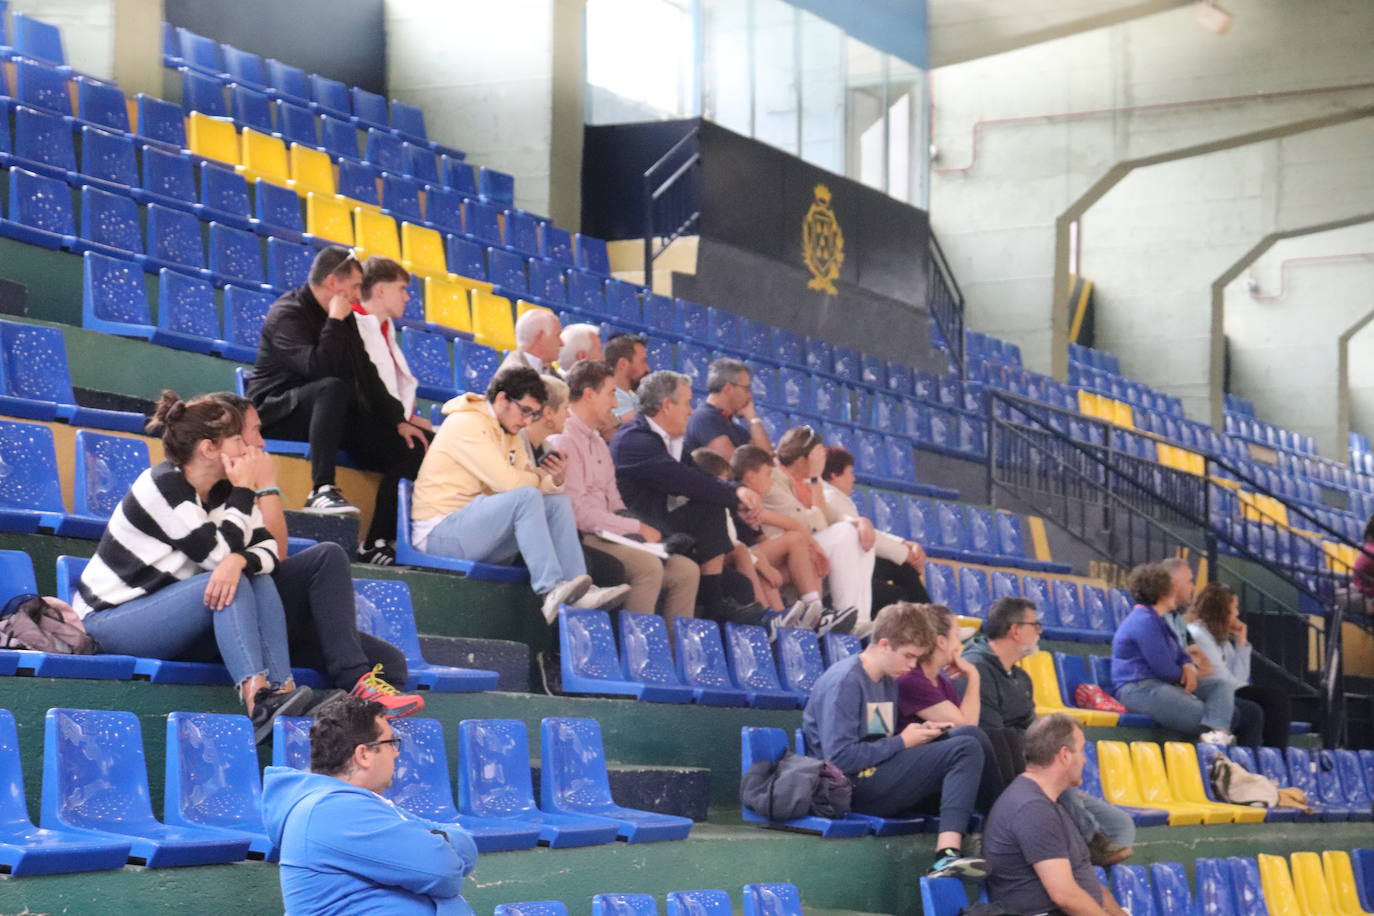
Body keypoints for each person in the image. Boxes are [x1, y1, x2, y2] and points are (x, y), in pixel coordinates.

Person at [73, 393, 358, 743]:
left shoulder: (224, 493)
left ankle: (282, 691)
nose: (250, 449)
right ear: (209, 449)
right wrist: (243, 496)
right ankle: (257, 701)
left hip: (171, 614)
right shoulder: (162, 484)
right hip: (110, 623)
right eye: (239, 440)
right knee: (233, 577)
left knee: (254, 575)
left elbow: (267, 548)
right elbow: (215, 555)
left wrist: (241, 558)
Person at [211, 393, 423, 719]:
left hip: (274, 618)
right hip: (234, 617)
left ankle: (340, 720)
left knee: (391, 664)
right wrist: (264, 487)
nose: (262, 442)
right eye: (254, 432)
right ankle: (355, 680)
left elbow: (273, 553)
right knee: (327, 556)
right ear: (233, 440)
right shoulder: (216, 488)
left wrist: (263, 486)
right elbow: (276, 558)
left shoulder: (242, 484)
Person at [411, 366, 630, 623]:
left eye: (534, 414)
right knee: (526, 496)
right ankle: (550, 588)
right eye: (525, 410)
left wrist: (551, 481)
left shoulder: (509, 430)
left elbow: (527, 482)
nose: (527, 421)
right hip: (440, 533)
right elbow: (510, 483)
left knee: (557, 502)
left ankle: (579, 588)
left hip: (475, 528)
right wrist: (538, 478)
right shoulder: (466, 423)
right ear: (503, 398)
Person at [248, 247, 430, 544]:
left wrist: (397, 420)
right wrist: (333, 321)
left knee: (416, 446)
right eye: (356, 286)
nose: (359, 294)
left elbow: (366, 372)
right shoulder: (287, 313)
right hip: (278, 413)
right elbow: (318, 369)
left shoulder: (344, 318)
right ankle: (321, 489)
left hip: (327, 414)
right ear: (333, 283)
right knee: (332, 387)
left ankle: (379, 542)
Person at [802, 601, 995, 879]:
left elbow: (878, 739)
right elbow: (840, 760)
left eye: (916, 658)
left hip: (877, 773)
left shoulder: (887, 680)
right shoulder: (845, 682)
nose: (912, 665)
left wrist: (922, 736)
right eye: (908, 656)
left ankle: (1003, 825)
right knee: (963, 748)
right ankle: (947, 855)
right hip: (850, 788)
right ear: (883, 644)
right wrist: (904, 741)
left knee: (967, 734)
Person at [611, 370, 818, 628]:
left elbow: (700, 477)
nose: (690, 411)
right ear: (666, 406)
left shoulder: (668, 441)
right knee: (710, 507)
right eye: (686, 403)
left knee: (741, 586)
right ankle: (713, 602)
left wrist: (737, 499)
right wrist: (736, 495)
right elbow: (686, 481)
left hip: (662, 527)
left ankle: (760, 637)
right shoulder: (634, 440)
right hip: (639, 530)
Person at [262, 696, 478, 916]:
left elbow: (466, 844)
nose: (396, 752)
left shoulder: (362, 804)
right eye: (391, 743)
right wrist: (435, 841)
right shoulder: (330, 810)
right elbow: (444, 871)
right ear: (363, 754)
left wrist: (440, 839)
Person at [963, 597, 1136, 867]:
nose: (1040, 631)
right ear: (1015, 630)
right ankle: (1084, 856)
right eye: (1036, 624)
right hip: (1000, 775)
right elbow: (994, 739)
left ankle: (1090, 889)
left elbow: (1034, 736)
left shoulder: (1022, 679)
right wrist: (1051, 779)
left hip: (1035, 773)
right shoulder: (977, 667)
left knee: (1119, 824)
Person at [547, 360, 699, 626]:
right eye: (611, 394)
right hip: (583, 536)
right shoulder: (564, 438)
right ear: (589, 394)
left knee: (686, 570)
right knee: (648, 567)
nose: (616, 404)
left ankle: (675, 658)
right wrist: (634, 527)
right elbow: (578, 514)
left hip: (609, 532)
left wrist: (647, 532)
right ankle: (637, 655)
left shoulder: (599, 443)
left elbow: (615, 502)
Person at [982, 714, 1131, 916]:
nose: (1085, 759)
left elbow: (1085, 882)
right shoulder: (1032, 808)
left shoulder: (1048, 802)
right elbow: (1065, 896)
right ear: (1065, 755)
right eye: (1081, 751)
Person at [1110, 563, 1251, 745]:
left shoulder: (1159, 620)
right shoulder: (1144, 621)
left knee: (1220, 686)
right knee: (1207, 714)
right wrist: (1188, 670)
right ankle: (1218, 740)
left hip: (1165, 685)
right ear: (1163, 591)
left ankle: (1217, 737)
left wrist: (1187, 665)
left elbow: (1181, 654)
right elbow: (1165, 670)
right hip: (1140, 689)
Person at [763, 427, 877, 630]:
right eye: (816, 459)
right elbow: (814, 524)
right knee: (844, 533)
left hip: (805, 549)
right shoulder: (773, 479)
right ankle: (848, 616)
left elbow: (833, 515)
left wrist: (859, 521)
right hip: (784, 555)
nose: (820, 464)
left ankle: (860, 620)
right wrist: (816, 479)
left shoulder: (801, 482)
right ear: (801, 460)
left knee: (861, 535)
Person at [730, 444, 846, 628]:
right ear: (751, 476)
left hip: (753, 557)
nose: (771, 481)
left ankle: (795, 622)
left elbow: (762, 540)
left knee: (802, 560)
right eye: (768, 474)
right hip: (739, 560)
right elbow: (792, 525)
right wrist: (817, 547)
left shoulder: (750, 497)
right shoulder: (744, 496)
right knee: (796, 539)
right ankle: (813, 606)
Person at [821, 446, 930, 608]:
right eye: (850, 472)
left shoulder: (833, 496)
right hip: (836, 575)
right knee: (897, 594)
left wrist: (903, 544)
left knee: (901, 569)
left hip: (847, 567)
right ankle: (935, 623)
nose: (854, 478)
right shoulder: (831, 496)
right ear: (834, 475)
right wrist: (904, 553)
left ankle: (934, 620)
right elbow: (864, 537)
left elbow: (869, 533)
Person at [1188, 583, 1291, 748]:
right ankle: (1271, 756)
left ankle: (1272, 756)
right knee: (1271, 700)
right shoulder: (1199, 634)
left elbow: (1241, 678)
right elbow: (1221, 677)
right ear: (1221, 611)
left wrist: (1241, 642)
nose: (1237, 613)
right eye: (1234, 608)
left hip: (1228, 688)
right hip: (1210, 691)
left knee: (1273, 699)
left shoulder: (1221, 638)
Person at [683, 358, 771, 458]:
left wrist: (752, 418)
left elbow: (767, 459)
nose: (750, 396)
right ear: (728, 388)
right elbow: (735, 465)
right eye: (746, 388)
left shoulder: (737, 429)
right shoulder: (704, 418)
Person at [499, 308, 565, 378]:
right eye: (557, 335)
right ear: (541, 337)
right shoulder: (511, 376)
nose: (562, 343)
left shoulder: (556, 377)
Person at [604, 333, 650, 425]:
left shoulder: (634, 397)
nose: (647, 368)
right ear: (623, 364)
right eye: (643, 361)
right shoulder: (609, 399)